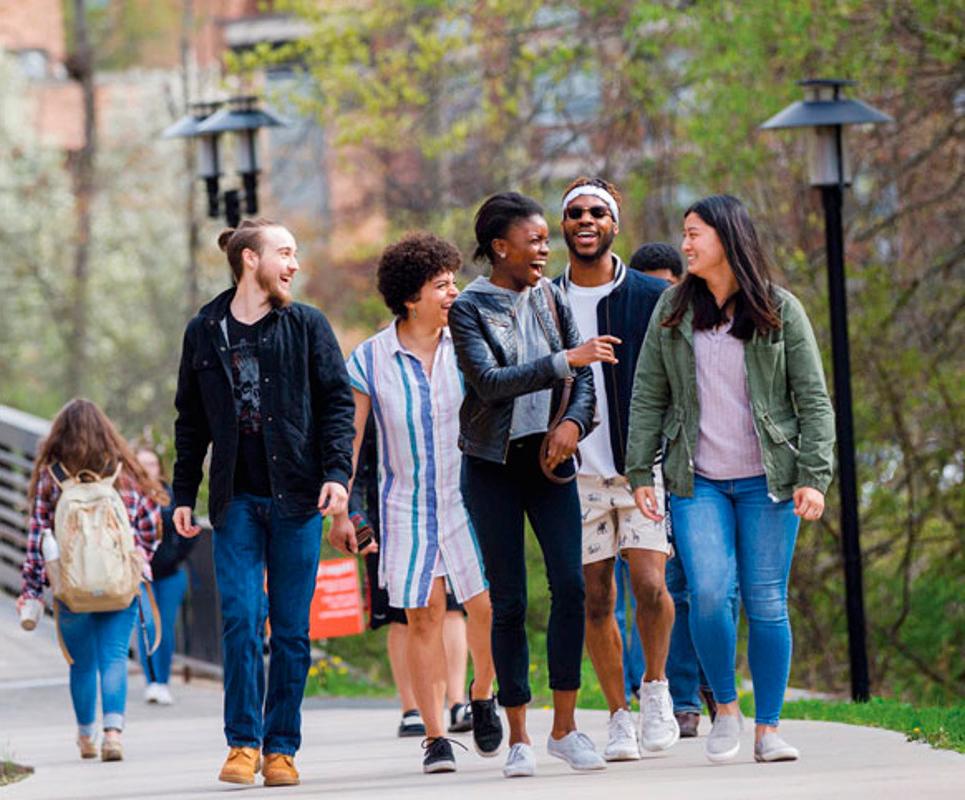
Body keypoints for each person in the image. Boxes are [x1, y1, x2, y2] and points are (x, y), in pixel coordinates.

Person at [626, 194, 835, 764]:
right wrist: (639, 469)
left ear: (727, 238)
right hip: (700, 483)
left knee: (767, 603)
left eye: (695, 234)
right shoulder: (671, 310)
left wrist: (814, 476)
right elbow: (648, 396)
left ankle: (768, 729)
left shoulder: (778, 309)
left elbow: (813, 401)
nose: (685, 243)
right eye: (685, 233)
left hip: (769, 482)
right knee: (712, 595)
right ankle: (723, 707)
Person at [172, 218, 355, 787]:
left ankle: (282, 749)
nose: (294, 264)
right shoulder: (204, 329)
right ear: (250, 259)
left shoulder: (306, 325)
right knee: (241, 620)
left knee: (292, 630)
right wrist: (182, 492)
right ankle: (242, 744)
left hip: (299, 497)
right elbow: (190, 421)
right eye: (285, 252)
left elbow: (336, 405)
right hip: (236, 502)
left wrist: (337, 475)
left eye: (296, 253)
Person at [449, 192, 615, 779]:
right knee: (510, 601)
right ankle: (518, 735)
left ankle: (565, 730)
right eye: (536, 240)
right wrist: (562, 361)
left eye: (548, 238)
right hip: (492, 466)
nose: (546, 248)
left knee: (572, 588)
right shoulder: (467, 308)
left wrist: (571, 424)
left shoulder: (551, 298)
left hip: (550, 463)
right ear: (501, 247)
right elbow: (490, 384)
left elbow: (586, 377)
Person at [329, 232, 501, 774]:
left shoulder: (470, 343)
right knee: (422, 616)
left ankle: (481, 691)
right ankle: (435, 736)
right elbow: (348, 441)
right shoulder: (370, 359)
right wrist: (343, 510)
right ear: (410, 297)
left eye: (454, 281)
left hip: (467, 496)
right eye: (441, 285)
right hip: (403, 503)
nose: (453, 292)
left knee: (487, 606)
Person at [554, 178, 678, 760]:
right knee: (594, 598)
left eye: (596, 212)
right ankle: (618, 714)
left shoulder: (651, 295)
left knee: (651, 584)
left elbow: (682, 376)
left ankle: (655, 687)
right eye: (575, 212)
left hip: (639, 467)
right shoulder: (545, 301)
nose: (585, 220)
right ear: (563, 226)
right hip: (575, 477)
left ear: (614, 223)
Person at [19, 399, 164, 762]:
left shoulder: (52, 477)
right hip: (119, 583)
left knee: (81, 663)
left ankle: (87, 736)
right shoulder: (124, 472)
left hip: (72, 586)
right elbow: (149, 521)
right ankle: (113, 733)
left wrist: (33, 588)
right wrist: (139, 556)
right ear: (106, 432)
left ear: (60, 435)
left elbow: (38, 537)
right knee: (114, 657)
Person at [629, 241, 721, 737]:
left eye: (665, 287)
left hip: (698, 468)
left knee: (712, 586)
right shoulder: (624, 334)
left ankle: (711, 688)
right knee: (669, 589)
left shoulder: (693, 321)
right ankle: (677, 695)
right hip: (647, 473)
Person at [134, 445, 196, 706]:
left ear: (159, 467)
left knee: (166, 627)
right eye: (142, 464)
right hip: (140, 575)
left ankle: (163, 681)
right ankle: (150, 682)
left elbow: (189, 529)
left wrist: (176, 556)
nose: (147, 469)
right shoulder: (129, 496)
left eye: (151, 463)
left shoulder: (172, 496)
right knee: (146, 624)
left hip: (170, 573)